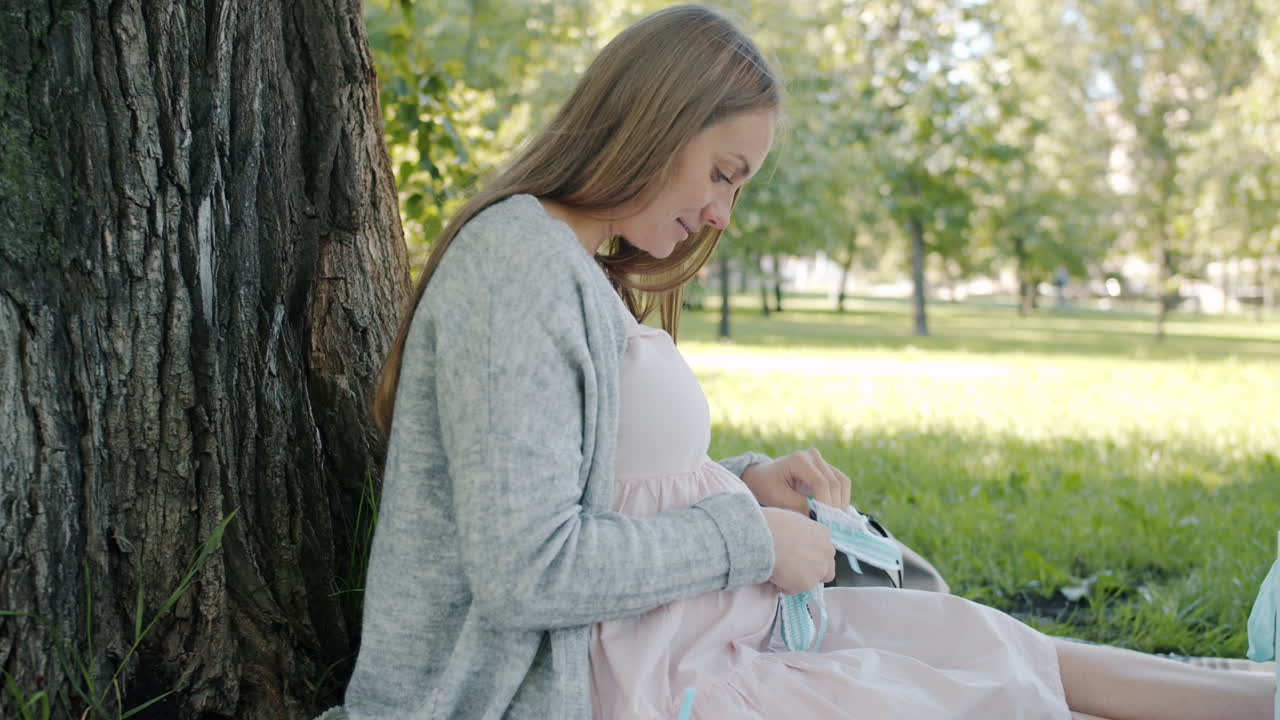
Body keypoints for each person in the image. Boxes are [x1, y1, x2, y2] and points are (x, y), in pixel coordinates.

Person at [326, 5, 1275, 719]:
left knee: (978, 641)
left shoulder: (574, 266)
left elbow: (602, 482)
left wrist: (749, 484)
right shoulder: (516, 269)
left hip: (691, 627)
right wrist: (751, 541)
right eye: (723, 174)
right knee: (968, 686)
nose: (720, 216)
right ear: (654, 121)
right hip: (613, 677)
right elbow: (527, 571)